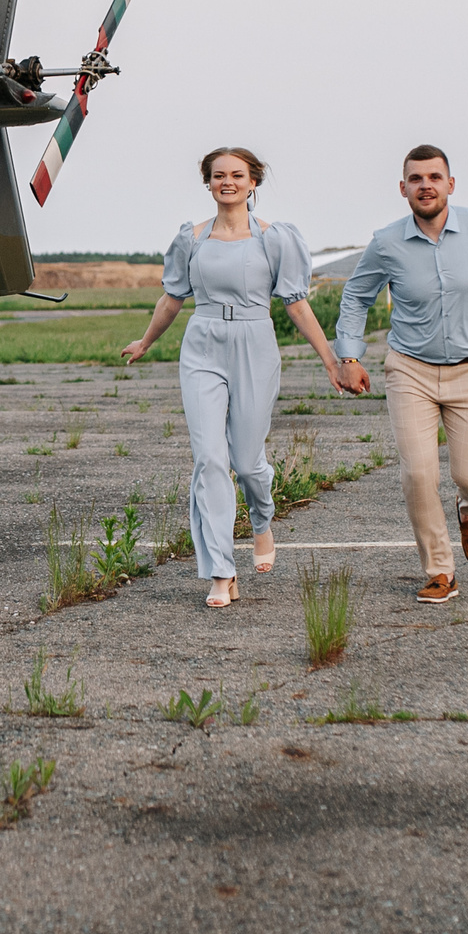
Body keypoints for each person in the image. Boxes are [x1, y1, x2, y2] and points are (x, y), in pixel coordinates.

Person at [123, 148, 345, 608]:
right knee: (208, 459)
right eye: (218, 175)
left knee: (246, 462)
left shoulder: (274, 239)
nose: (227, 182)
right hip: (202, 342)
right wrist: (146, 341)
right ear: (207, 183)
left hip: (254, 342)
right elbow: (172, 299)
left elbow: (296, 304)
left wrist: (330, 359)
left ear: (252, 183)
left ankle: (261, 521)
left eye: (236, 175)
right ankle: (221, 571)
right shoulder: (191, 238)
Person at [330, 144, 468, 604]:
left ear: (451, 184)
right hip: (409, 372)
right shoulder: (386, 242)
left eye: (434, 177)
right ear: (403, 188)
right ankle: (438, 570)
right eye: (415, 178)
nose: (424, 185)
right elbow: (356, 297)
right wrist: (348, 357)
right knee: (418, 474)